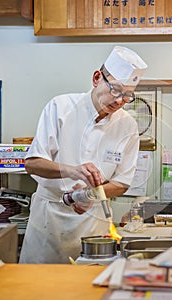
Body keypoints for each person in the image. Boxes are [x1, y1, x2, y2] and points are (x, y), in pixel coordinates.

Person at [19, 46, 147, 264]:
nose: (119, 101)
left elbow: (122, 182)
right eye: (115, 89)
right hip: (50, 219)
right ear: (97, 78)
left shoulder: (127, 124)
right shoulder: (60, 107)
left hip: (92, 223)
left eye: (127, 96)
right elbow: (32, 164)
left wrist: (89, 195)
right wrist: (72, 171)